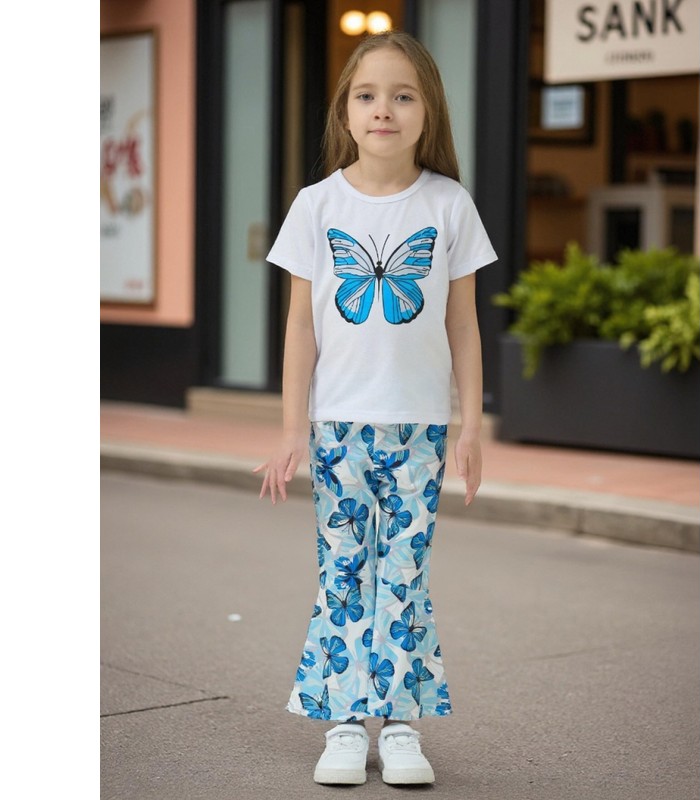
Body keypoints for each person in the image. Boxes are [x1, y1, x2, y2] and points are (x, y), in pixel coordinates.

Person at [253, 30, 497, 787]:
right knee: (343, 573)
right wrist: (292, 429)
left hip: (420, 428)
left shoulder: (449, 204)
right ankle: (342, 724)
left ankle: (398, 726)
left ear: (429, 112)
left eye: (402, 95)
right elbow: (300, 326)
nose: (383, 109)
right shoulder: (316, 205)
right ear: (345, 112)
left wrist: (470, 425)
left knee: (403, 575)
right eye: (367, 95)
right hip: (337, 425)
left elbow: (463, 323)